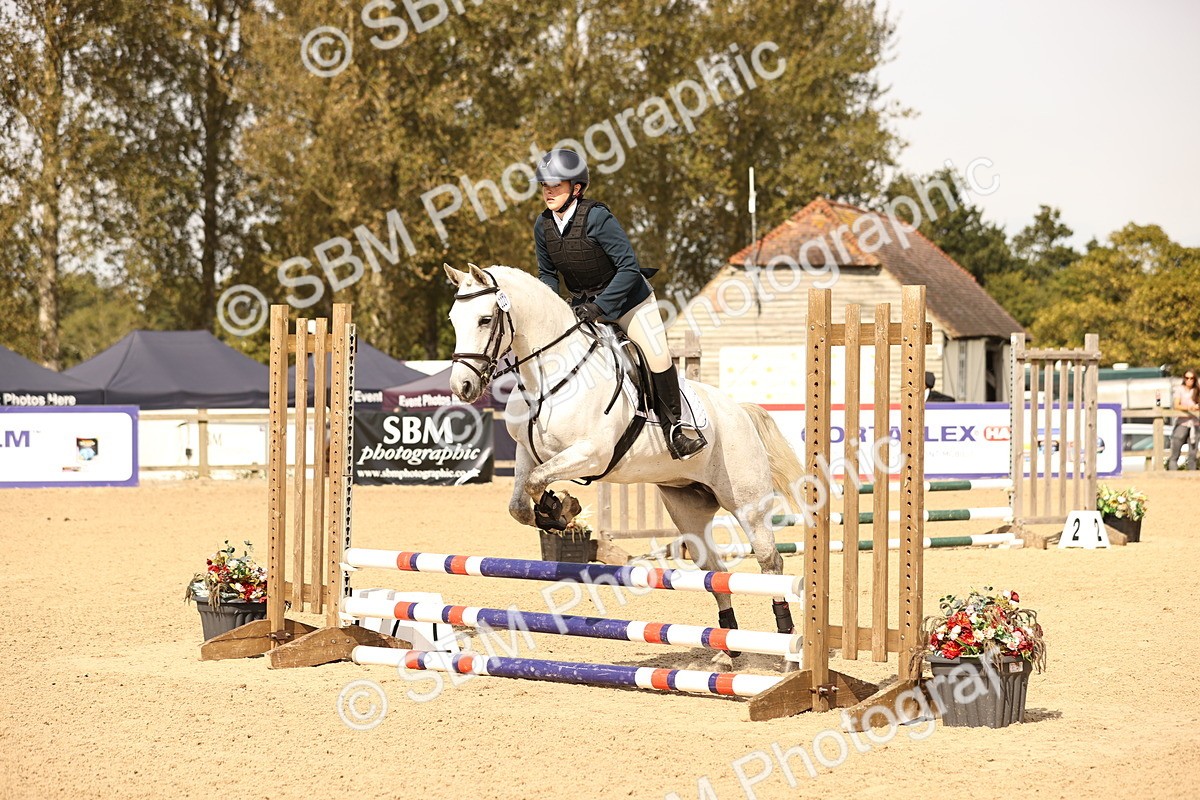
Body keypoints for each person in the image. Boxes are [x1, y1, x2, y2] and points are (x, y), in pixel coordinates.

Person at [531, 148, 704, 459]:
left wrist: (601, 307)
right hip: (583, 305)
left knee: (656, 355)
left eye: (555, 186)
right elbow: (547, 275)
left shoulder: (598, 217)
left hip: (629, 301)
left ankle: (675, 430)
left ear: (576, 188)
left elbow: (628, 267)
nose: (548, 192)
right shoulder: (543, 226)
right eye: (545, 186)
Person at [1167, 369, 1199, 470]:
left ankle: (1192, 475)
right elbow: (1176, 405)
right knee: (1176, 449)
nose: (1189, 380)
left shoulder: (1197, 390)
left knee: (1193, 453)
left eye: (1191, 378)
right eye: (1187, 378)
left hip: (1195, 424)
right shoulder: (1179, 390)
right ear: (1184, 379)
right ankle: (1173, 472)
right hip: (1182, 423)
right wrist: (1190, 408)